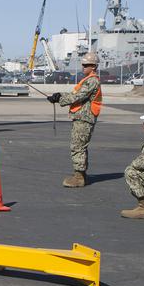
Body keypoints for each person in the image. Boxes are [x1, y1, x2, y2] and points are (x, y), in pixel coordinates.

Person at [46, 51, 102, 187]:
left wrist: (60, 99)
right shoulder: (88, 80)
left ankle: (79, 177)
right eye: (83, 65)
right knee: (80, 146)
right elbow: (75, 94)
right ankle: (81, 174)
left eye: (86, 65)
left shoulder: (92, 81)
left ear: (93, 66)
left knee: (78, 147)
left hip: (84, 119)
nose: (83, 67)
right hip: (82, 118)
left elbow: (78, 97)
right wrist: (59, 95)